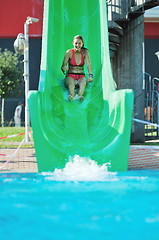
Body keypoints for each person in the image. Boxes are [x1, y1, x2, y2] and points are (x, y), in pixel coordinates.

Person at [61, 35, 93, 101]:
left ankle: (79, 96)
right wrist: (64, 68)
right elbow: (62, 67)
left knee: (83, 82)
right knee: (71, 84)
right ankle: (72, 96)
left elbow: (89, 64)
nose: (77, 45)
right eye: (76, 43)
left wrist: (90, 75)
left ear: (82, 43)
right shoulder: (69, 53)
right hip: (70, 76)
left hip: (81, 76)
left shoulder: (85, 52)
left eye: (79, 43)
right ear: (73, 43)